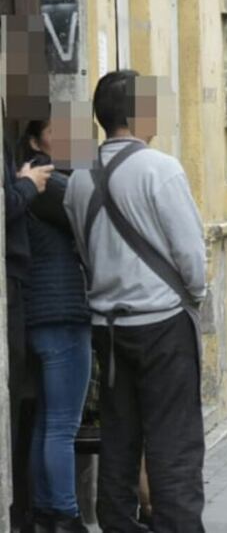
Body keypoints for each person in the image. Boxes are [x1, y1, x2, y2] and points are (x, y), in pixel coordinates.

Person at [64, 70, 208, 530]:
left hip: (107, 327)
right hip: (162, 323)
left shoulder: (78, 180)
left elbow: (84, 252)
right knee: (173, 441)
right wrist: (197, 293)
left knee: (120, 440)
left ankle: (118, 525)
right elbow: (191, 252)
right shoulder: (161, 169)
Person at [18, 120, 92, 532]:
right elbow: (89, 216)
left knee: (47, 419)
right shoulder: (50, 179)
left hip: (39, 313)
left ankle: (46, 509)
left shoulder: (32, 179)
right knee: (63, 423)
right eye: (54, 128)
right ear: (33, 140)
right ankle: (65, 513)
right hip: (62, 312)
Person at [5, 129, 53, 531]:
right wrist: (26, 186)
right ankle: (40, 512)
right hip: (26, 294)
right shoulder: (50, 183)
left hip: (25, 294)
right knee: (39, 411)